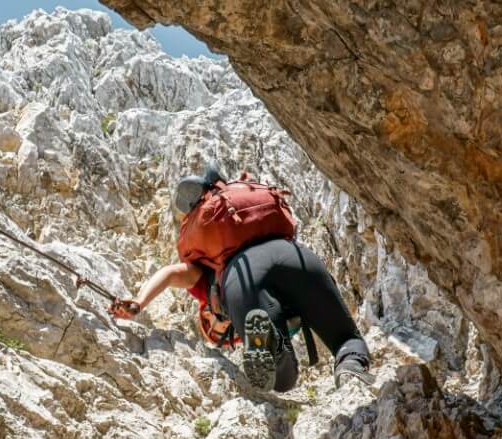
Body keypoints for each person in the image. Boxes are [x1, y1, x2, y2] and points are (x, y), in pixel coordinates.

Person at [110, 167, 373, 392]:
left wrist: (139, 301)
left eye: (213, 328)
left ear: (208, 314)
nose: (225, 333)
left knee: (282, 379)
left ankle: (274, 345)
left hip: (244, 277)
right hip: (298, 257)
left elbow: (169, 274)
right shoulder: (241, 210)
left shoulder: (209, 284)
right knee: (345, 338)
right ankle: (352, 365)